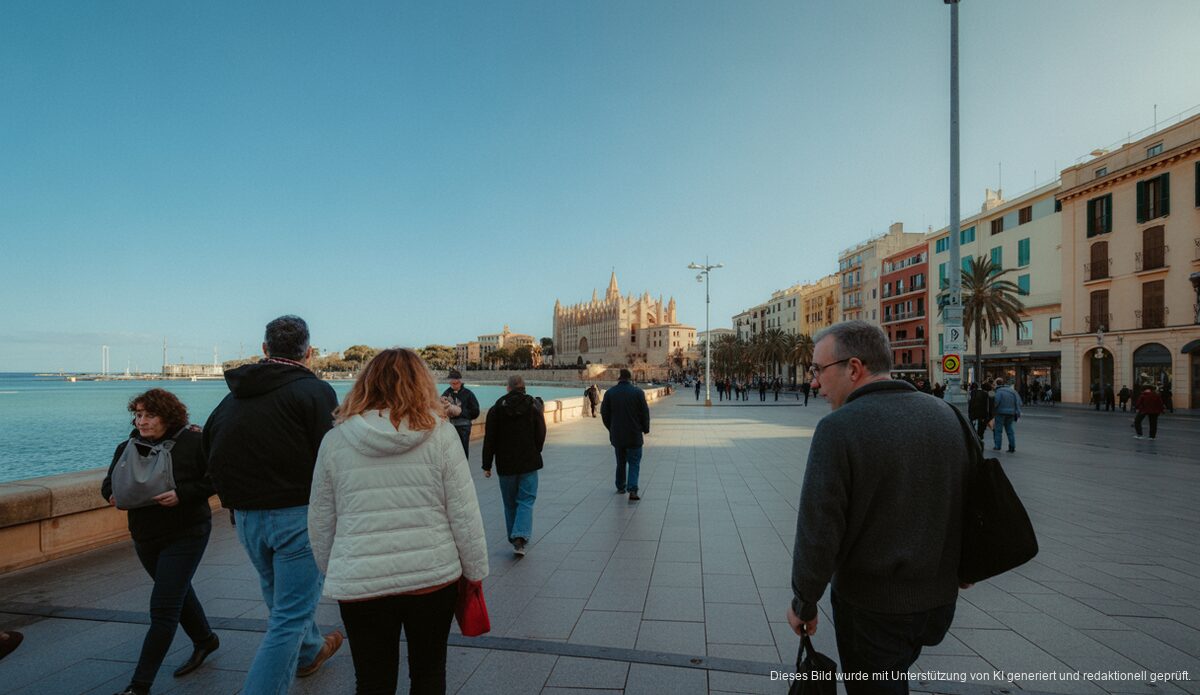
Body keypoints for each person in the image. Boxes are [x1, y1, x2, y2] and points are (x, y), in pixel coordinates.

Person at [786, 321, 967, 694]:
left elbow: (819, 531)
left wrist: (804, 602)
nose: (814, 382)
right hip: (937, 606)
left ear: (853, 368)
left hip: (872, 610)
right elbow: (977, 500)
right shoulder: (948, 415)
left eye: (819, 370)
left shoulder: (839, 428)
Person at [308, 349, 489, 695]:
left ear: (365, 384)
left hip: (362, 583)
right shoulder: (441, 435)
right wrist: (475, 571)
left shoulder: (335, 441)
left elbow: (320, 519)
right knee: (429, 674)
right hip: (432, 579)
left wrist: (336, 567)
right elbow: (464, 514)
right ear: (422, 384)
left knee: (372, 681)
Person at [203, 315, 343, 693]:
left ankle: (311, 651)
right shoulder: (315, 393)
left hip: (247, 519)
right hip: (298, 517)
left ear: (264, 349)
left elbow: (210, 450)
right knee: (288, 618)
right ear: (309, 353)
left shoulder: (231, 397)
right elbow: (332, 457)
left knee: (280, 599)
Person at [100, 390, 218, 695]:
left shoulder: (194, 442)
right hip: (145, 536)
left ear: (168, 416)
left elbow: (217, 477)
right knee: (177, 592)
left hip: (187, 532)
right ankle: (206, 640)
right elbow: (108, 483)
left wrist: (183, 494)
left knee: (163, 608)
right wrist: (111, 494)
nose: (142, 421)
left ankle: (139, 687)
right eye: (138, 414)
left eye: (149, 415)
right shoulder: (128, 447)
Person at [482, 374, 547, 556]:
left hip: (506, 464)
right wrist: (536, 449)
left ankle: (515, 537)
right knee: (526, 501)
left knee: (510, 503)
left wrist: (487, 465)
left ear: (508, 388)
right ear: (523, 387)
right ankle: (520, 537)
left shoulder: (496, 409)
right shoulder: (533, 406)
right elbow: (541, 431)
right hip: (528, 462)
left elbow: (490, 439)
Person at [601, 368, 651, 502]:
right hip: (634, 435)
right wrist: (645, 429)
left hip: (618, 435)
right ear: (630, 378)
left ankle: (621, 485)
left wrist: (611, 428)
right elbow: (645, 413)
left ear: (619, 378)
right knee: (634, 463)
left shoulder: (610, 393)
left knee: (620, 462)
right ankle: (633, 489)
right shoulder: (638, 393)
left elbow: (604, 414)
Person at [441, 370, 481, 458]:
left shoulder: (469, 394)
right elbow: (441, 403)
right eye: (451, 383)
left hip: (464, 427)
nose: (452, 385)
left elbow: (476, 412)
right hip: (450, 426)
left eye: (454, 383)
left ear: (460, 382)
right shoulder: (447, 392)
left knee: (462, 452)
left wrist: (460, 412)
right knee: (450, 453)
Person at [991, 377, 1021, 453]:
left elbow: (996, 402)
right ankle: (1012, 446)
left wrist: (992, 410)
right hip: (1011, 413)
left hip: (1000, 413)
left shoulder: (999, 392)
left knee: (998, 430)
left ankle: (998, 446)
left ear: (997, 384)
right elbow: (1018, 402)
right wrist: (1017, 412)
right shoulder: (1012, 391)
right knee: (1009, 430)